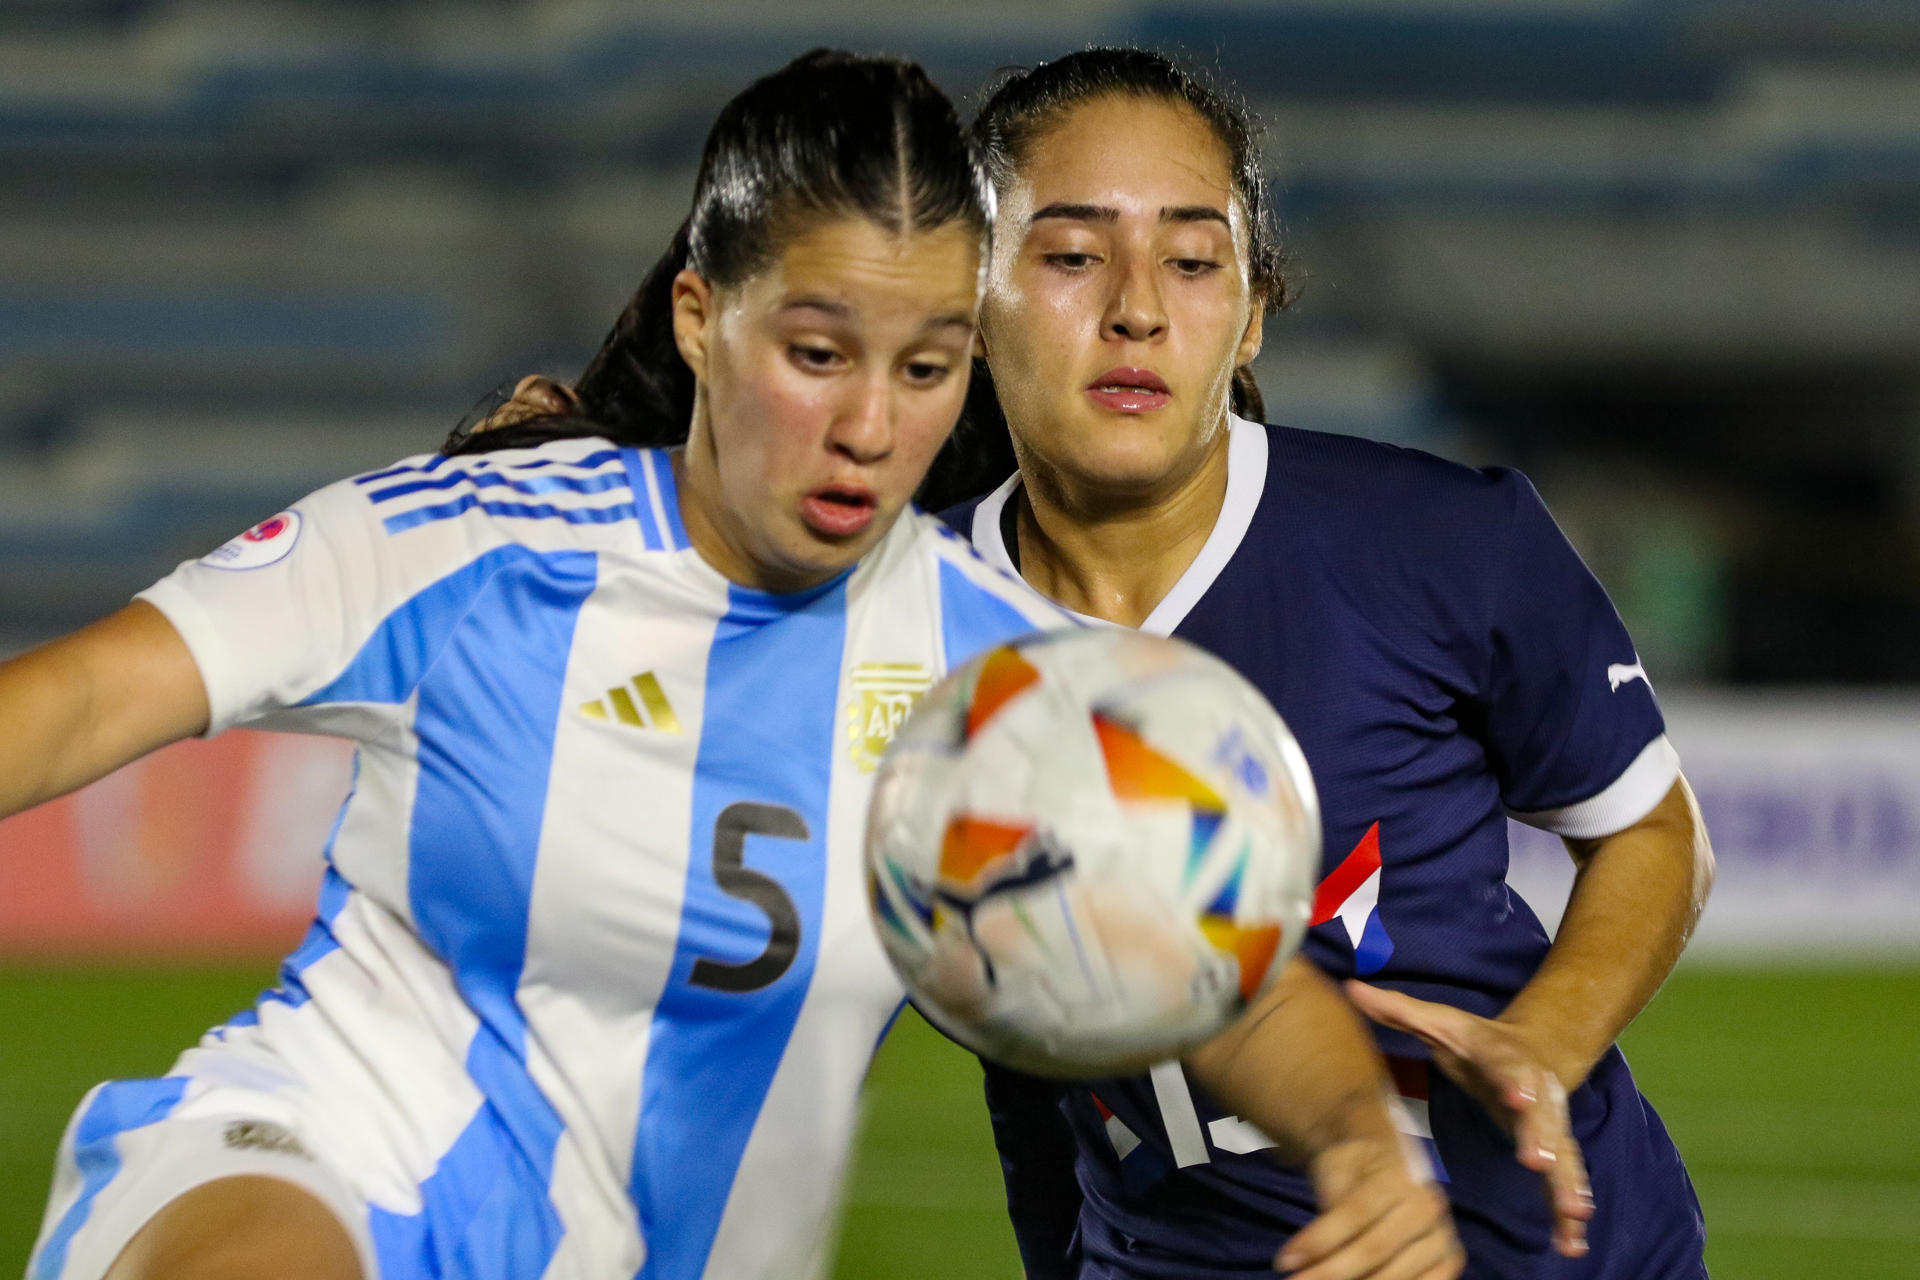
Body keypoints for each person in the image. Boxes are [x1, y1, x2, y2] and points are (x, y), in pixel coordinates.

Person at [9, 49, 1459, 1280]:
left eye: (928, 365)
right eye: (819, 354)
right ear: (705, 319)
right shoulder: (471, 543)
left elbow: (1234, 976)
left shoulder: (1009, 684)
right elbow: (78, 698)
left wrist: (1356, 1141)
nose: (872, 427)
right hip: (316, 1151)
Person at [940, 48, 1716, 1280]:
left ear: (1251, 313)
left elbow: (1653, 832)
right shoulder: (905, 627)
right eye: (1074, 254)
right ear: (965, 298)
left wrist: (1541, 1043)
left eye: (1194, 260)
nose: (1137, 306)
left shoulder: (1442, 542)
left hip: (1547, 1253)